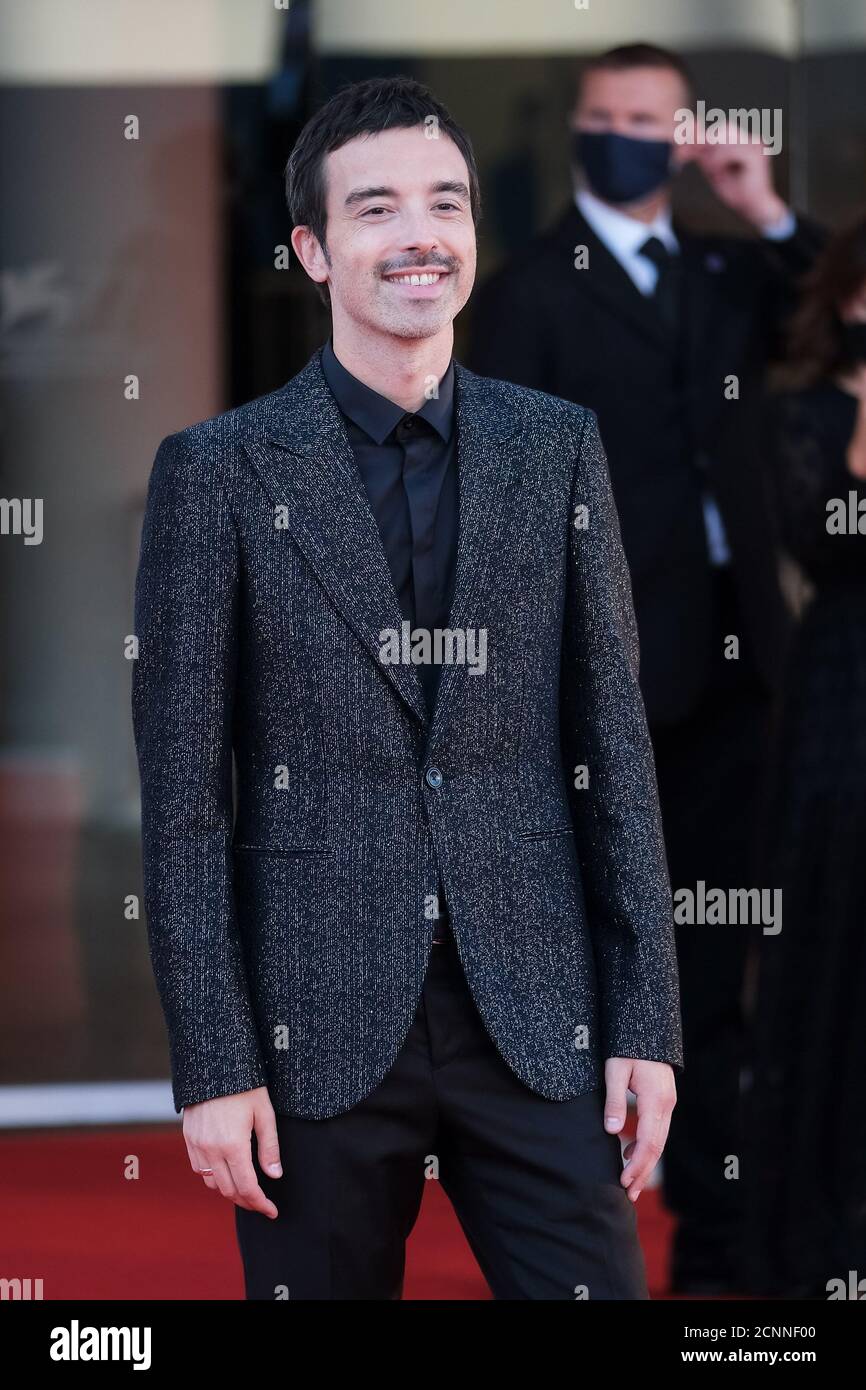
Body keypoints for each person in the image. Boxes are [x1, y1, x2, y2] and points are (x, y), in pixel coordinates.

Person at [131, 75, 683, 1301]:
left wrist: (644, 1019)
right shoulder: (217, 473)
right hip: (309, 1028)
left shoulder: (557, 449)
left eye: (445, 203)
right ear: (313, 250)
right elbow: (183, 803)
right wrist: (213, 1063)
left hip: (535, 1018)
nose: (419, 235)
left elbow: (614, 746)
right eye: (375, 209)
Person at [469, 42, 825, 1294]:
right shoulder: (525, 291)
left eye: (649, 120)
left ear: (685, 135)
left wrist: (759, 199)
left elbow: (836, 304)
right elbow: (496, 505)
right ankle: (569, 1235)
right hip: (601, 683)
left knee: (724, 964)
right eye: (604, 117)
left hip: (743, 679)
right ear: (576, 129)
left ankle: (720, 1245)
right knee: (603, 961)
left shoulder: (731, 269)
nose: (625, 135)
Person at [742, 218, 866, 1296]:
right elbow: (823, 536)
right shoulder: (804, 418)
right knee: (831, 952)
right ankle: (819, 1231)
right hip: (840, 699)